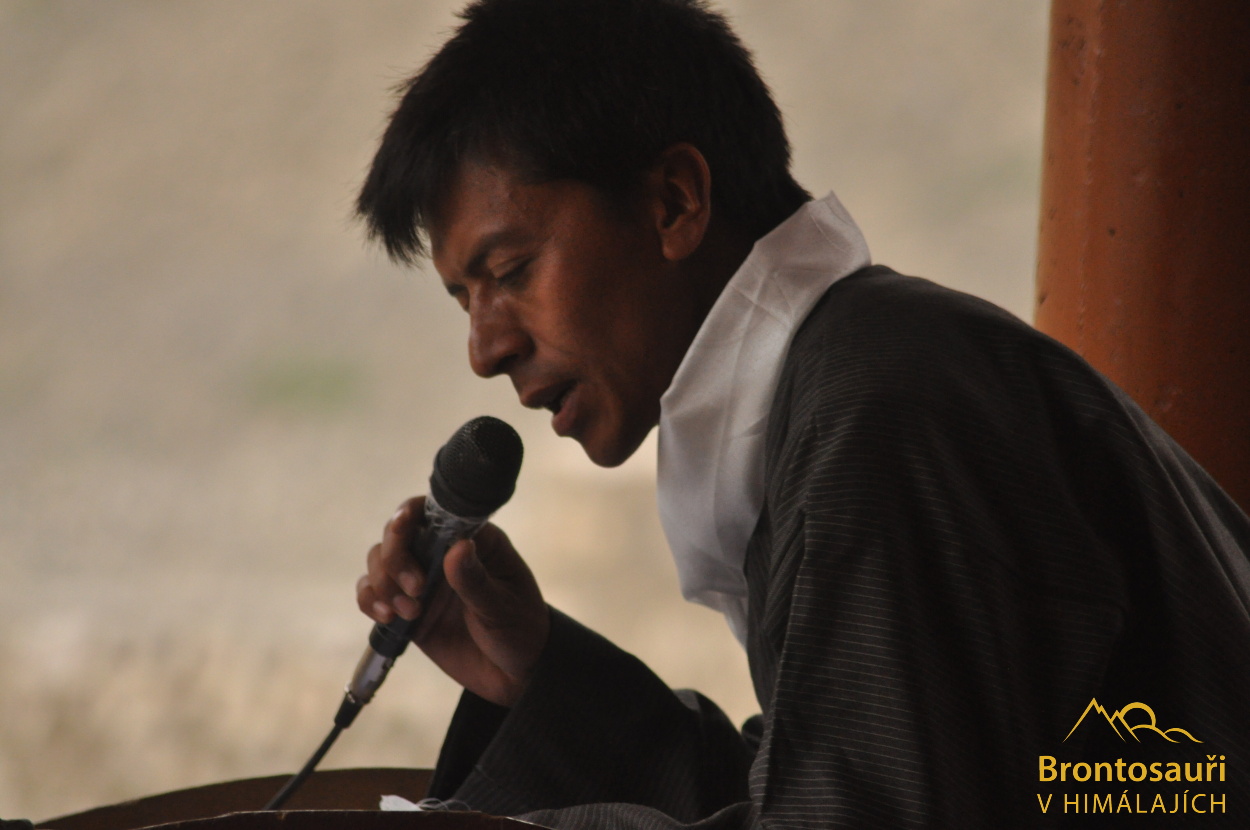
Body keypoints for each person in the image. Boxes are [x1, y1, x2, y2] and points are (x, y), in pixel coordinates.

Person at [353, 0, 1250, 826]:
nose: (485, 349)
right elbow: (817, 790)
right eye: (464, 300)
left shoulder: (877, 413)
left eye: (511, 272)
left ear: (673, 202)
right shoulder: (847, 380)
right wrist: (542, 674)